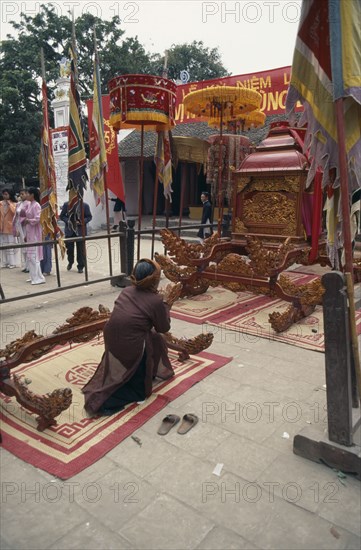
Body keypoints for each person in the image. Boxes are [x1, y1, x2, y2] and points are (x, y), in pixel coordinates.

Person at [82, 259, 177, 416]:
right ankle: (136, 389)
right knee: (151, 340)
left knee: (154, 338)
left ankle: (145, 372)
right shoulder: (156, 301)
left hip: (111, 337)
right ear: (154, 280)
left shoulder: (126, 291)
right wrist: (166, 304)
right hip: (131, 343)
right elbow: (163, 327)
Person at [60, 201, 92, 273]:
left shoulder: (85, 205)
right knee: (70, 249)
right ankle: (70, 262)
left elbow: (89, 217)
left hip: (80, 231)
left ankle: (80, 266)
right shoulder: (66, 204)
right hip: (69, 231)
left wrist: (81, 221)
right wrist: (69, 221)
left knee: (81, 250)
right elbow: (62, 216)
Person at [22, 187, 45, 285]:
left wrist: (29, 221)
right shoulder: (30, 205)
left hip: (35, 233)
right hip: (29, 232)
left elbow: (38, 218)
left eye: (27, 193)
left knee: (34, 256)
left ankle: (39, 278)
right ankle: (33, 276)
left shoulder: (36, 205)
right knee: (30, 256)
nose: (26, 195)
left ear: (32, 195)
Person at [0, 188, 19, 269]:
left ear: (10, 195)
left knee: (10, 246)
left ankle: (12, 262)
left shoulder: (14, 204)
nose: (4, 196)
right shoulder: (0, 203)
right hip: (1, 227)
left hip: (10, 227)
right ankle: (4, 262)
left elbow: (15, 213)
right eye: (3, 194)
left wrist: (9, 204)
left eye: (6, 194)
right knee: (3, 246)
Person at [12, 189, 30, 272]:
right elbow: (16, 216)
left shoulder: (29, 203)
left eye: (23, 194)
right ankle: (25, 265)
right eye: (20, 194)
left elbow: (28, 214)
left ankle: (29, 266)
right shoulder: (19, 204)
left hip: (26, 226)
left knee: (27, 246)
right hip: (19, 226)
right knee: (22, 246)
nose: (21, 195)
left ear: (27, 194)